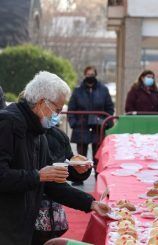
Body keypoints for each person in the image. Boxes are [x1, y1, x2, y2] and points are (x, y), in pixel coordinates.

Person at [0, 71, 110, 245]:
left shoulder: (39, 133)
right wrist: (38, 176)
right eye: (57, 109)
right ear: (42, 102)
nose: (57, 115)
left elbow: (51, 184)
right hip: (6, 225)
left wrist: (90, 203)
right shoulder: (7, 123)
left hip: (24, 225)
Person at [68, 66, 115, 179]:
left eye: (92, 74)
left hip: (97, 128)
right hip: (81, 127)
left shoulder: (103, 90)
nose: (90, 77)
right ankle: (79, 177)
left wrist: (105, 122)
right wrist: (73, 123)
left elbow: (109, 108)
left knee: (97, 156)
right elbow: (71, 109)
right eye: (88, 74)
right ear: (85, 75)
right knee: (80, 157)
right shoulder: (77, 90)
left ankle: (98, 178)